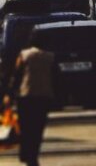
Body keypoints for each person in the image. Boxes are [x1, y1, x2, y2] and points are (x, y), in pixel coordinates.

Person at [9, 37, 54, 166]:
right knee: (37, 128)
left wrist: (9, 94)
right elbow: (55, 77)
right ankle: (33, 155)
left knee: (25, 127)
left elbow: (17, 76)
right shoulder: (50, 57)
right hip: (43, 97)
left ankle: (25, 154)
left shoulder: (24, 55)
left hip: (26, 97)